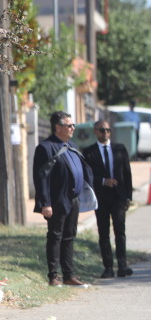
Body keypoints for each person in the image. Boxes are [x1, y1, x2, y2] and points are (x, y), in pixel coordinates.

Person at [32, 111, 93, 287]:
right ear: (58, 127)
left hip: (73, 199)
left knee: (69, 237)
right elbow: (41, 177)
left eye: (73, 125)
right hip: (56, 200)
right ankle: (53, 276)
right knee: (55, 237)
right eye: (69, 125)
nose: (73, 128)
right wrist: (45, 203)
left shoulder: (72, 145)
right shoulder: (45, 147)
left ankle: (69, 275)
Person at [83, 120, 134, 279]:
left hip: (118, 197)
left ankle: (122, 266)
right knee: (103, 233)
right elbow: (87, 176)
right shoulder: (89, 152)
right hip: (101, 197)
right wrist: (102, 181)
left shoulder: (119, 149)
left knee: (120, 231)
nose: (105, 133)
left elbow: (127, 173)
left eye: (107, 130)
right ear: (95, 132)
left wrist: (128, 196)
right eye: (101, 130)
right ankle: (108, 267)